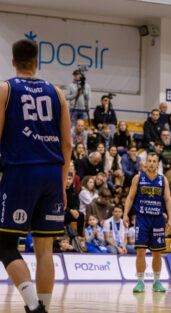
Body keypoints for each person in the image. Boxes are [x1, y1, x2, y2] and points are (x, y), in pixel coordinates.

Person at [0, 39, 72, 313]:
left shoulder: (6, 89)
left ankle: (33, 305)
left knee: (4, 245)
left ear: (14, 61)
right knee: (45, 248)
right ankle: (44, 307)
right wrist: (63, 184)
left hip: (21, 171)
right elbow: (67, 145)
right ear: (37, 61)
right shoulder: (57, 92)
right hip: (52, 174)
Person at [123, 152, 171, 293]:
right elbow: (130, 197)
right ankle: (140, 282)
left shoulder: (162, 179)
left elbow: (168, 200)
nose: (151, 163)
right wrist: (125, 214)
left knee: (157, 252)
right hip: (142, 218)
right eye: (149, 161)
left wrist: (170, 218)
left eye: (154, 161)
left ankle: (156, 281)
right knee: (140, 251)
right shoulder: (138, 178)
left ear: (158, 164)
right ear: (145, 163)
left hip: (157, 219)